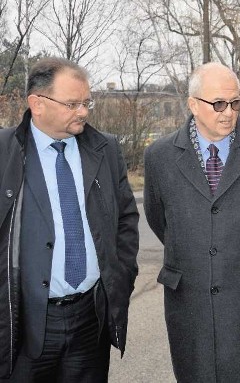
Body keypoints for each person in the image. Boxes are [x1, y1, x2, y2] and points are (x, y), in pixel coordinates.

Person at [143, 62, 240, 383]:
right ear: (192, 105)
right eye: (217, 104)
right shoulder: (159, 157)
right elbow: (160, 222)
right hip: (190, 306)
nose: (227, 112)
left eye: (234, 103)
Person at [0, 57, 139, 382]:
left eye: (86, 102)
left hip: (89, 320)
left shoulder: (105, 150)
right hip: (25, 324)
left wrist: (119, 280)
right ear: (37, 103)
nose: (84, 112)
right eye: (73, 103)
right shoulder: (4, 152)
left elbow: (127, 222)